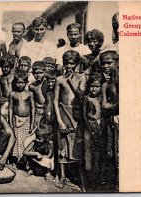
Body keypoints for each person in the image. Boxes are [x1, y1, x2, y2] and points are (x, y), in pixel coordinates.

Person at [54, 50, 86, 191]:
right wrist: (60, 121)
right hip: (63, 113)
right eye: (66, 63)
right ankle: (61, 175)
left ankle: (79, 178)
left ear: (77, 64)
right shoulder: (59, 79)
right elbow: (55, 101)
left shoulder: (81, 77)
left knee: (76, 146)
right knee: (62, 146)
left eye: (72, 63)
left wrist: (71, 81)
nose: (69, 66)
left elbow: (81, 96)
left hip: (76, 115)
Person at [83, 74, 106, 187]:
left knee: (98, 153)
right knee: (88, 153)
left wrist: (101, 127)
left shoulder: (102, 98)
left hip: (100, 126)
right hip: (89, 126)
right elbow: (84, 116)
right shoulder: (87, 98)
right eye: (92, 86)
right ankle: (89, 179)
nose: (94, 88)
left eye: (97, 86)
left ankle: (97, 178)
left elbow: (104, 114)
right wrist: (90, 130)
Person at [100, 46, 119, 184]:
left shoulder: (122, 79)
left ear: (117, 62)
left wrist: (113, 106)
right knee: (111, 149)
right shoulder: (106, 84)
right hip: (112, 119)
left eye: (109, 62)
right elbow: (104, 105)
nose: (106, 66)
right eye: (103, 63)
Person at [9, 70, 35, 164]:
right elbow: (11, 108)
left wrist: (32, 123)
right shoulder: (12, 94)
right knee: (16, 140)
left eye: (22, 82)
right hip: (16, 119)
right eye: (18, 82)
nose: (20, 85)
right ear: (15, 83)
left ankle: (24, 161)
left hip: (27, 120)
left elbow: (32, 108)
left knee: (25, 140)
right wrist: (10, 122)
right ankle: (16, 160)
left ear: (26, 83)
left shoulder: (29, 94)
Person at [40, 69, 60, 187]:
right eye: (49, 81)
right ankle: (48, 171)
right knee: (49, 147)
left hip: (57, 123)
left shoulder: (60, 92)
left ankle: (57, 172)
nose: (51, 83)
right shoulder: (47, 93)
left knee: (58, 148)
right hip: (48, 123)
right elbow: (46, 107)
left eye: (53, 81)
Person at [0, 55, 15, 120]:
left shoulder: (14, 77)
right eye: (4, 67)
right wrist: (0, 99)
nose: (6, 69)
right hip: (4, 101)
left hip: (14, 101)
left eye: (8, 67)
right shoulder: (0, 78)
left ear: (11, 67)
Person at [29, 61, 46, 126]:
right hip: (38, 112)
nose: (38, 75)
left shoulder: (48, 83)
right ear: (33, 73)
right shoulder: (32, 86)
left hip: (48, 111)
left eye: (40, 73)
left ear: (45, 72)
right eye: (36, 73)